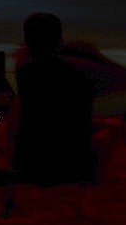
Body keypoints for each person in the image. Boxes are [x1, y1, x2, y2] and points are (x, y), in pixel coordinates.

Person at [13, 13, 100, 185]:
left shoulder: (25, 72)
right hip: (76, 167)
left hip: (29, 167)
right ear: (59, 37)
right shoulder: (81, 71)